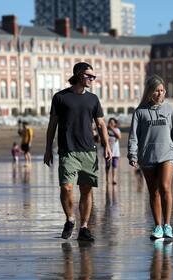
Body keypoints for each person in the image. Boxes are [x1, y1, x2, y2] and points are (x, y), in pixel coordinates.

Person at [44, 62, 112, 242]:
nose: (92, 79)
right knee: (66, 188)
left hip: (89, 151)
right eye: (89, 76)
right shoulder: (60, 97)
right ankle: (70, 219)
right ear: (79, 75)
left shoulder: (93, 99)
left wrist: (107, 147)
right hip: (68, 151)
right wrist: (48, 149)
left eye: (93, 77)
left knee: (86, 191)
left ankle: (84, 227)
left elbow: (101, 124)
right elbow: (52, 125)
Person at [128, 75, 173, 240]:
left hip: (167, 154)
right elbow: (133, 136)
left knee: (165, 187)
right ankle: (157, 227)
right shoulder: (140, 112)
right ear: (150, 92)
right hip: (147, 157)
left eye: (162, 91)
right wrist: (132, 154)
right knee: (153, 192)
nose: (160, 94)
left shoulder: (169, 110)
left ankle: (168, 224)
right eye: (157, 91)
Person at [105, 117, 121, 185]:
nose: (111, 123)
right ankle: (107, 178)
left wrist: (112, 129)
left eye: (112, 122)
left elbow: (119, 137)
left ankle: (114, 179)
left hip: (115, 151)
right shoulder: (106, 130)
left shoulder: (117, 130)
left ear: (115, 123)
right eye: (110, 122)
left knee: (114, 165)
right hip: (108, 151)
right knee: (108, 165)